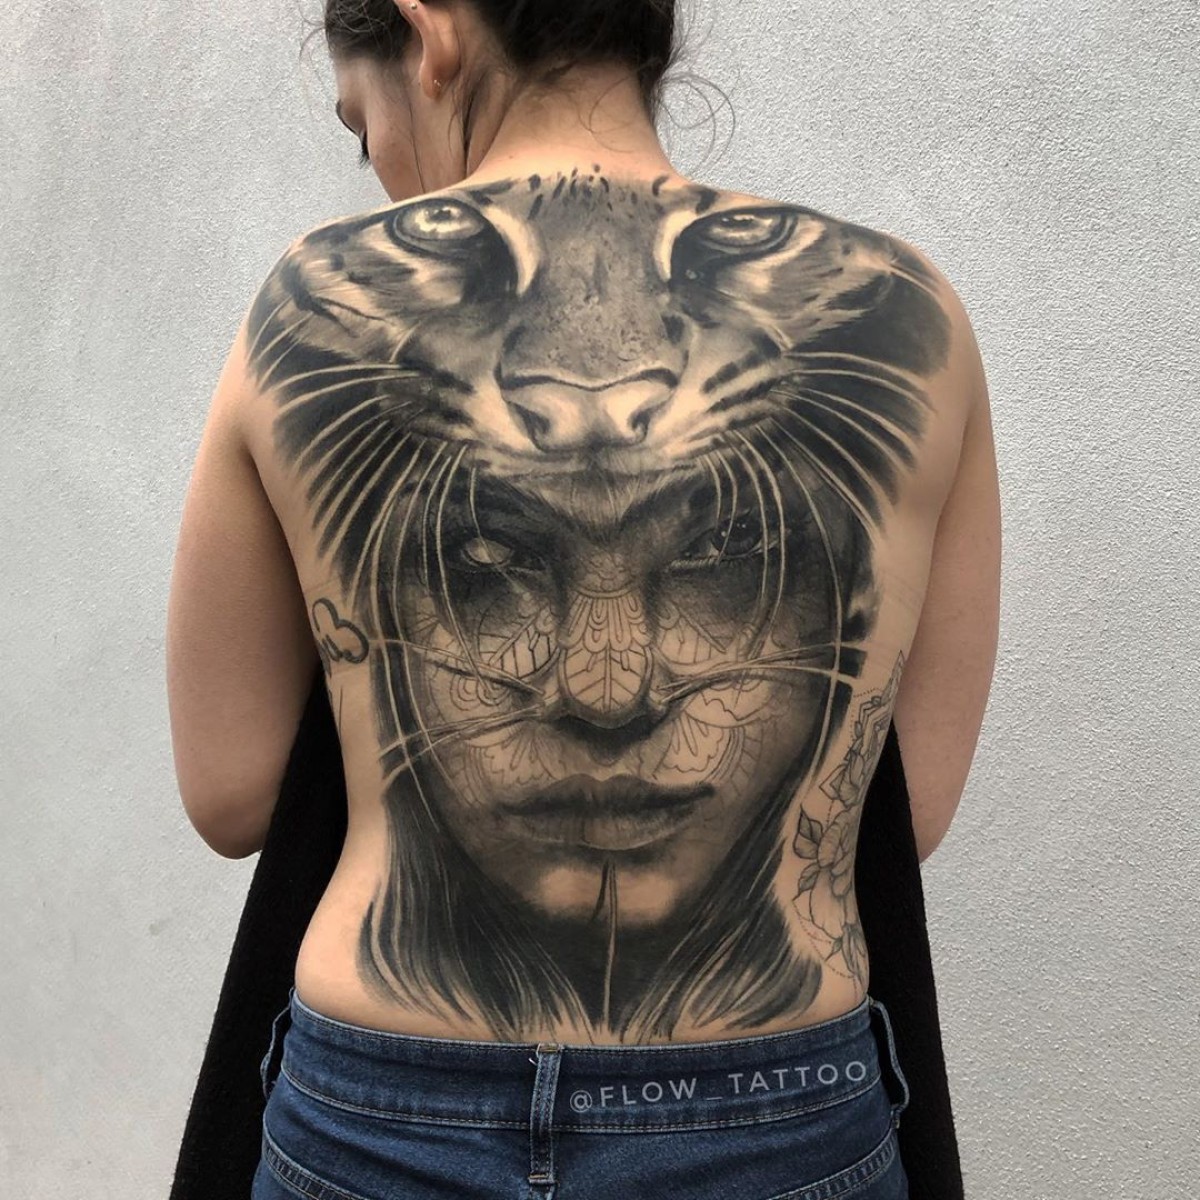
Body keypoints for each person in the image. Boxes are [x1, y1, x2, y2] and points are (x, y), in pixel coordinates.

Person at [165, 0, 1000, 1196]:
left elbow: (232, 791)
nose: (610, 696)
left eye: (363, 129)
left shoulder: (308, 302)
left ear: (430, 32)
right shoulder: (907, 309)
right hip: (777, 1116)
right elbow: (898, 810)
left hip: (383, 1118)